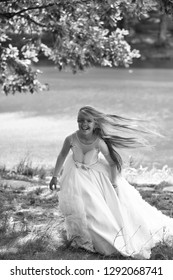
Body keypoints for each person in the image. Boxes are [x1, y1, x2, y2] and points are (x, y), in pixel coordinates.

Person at [49, 105, 173, 259]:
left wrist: (114, 183)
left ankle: (103, 239)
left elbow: (113, 163)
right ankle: (80, 237)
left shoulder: (99, 142)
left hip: (94, 177)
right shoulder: (70, 139)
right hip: (75, 176)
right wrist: (55, 176)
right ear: (77, 121)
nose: (84, 124)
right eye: (81, 120)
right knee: (78, 208)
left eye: (88, 121)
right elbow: (62, 156)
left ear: (95, 123)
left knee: (94, 209)